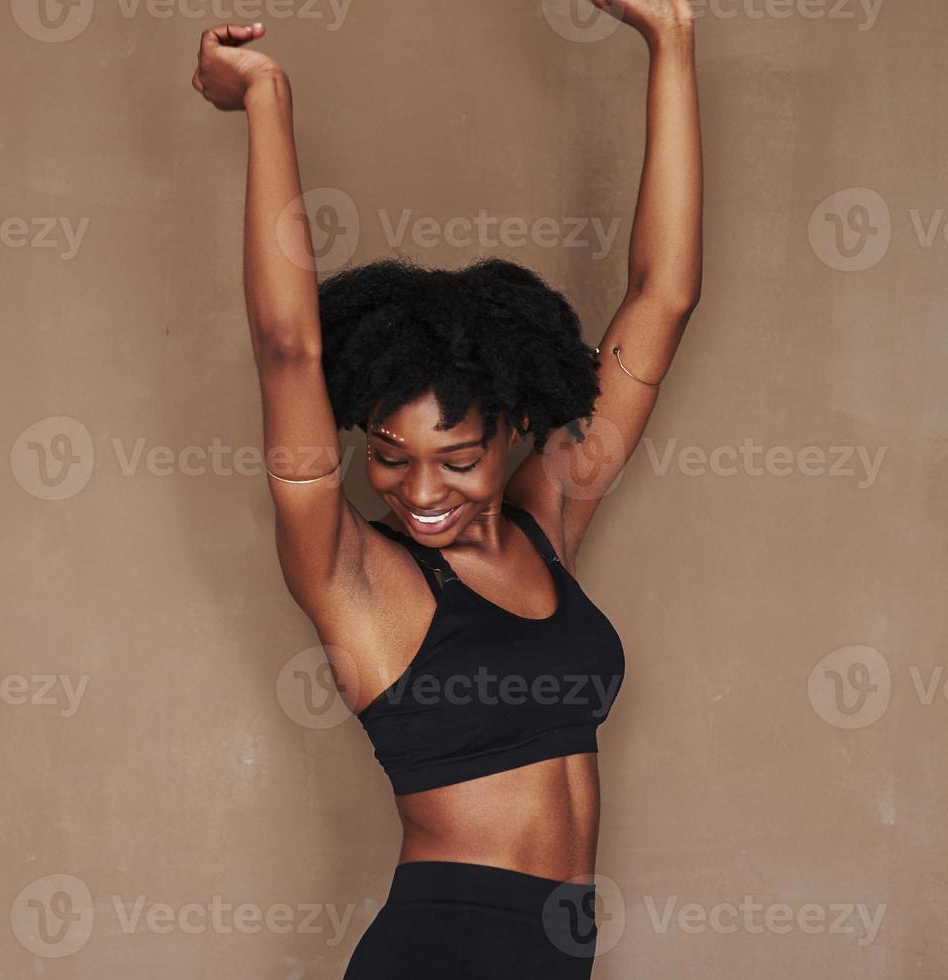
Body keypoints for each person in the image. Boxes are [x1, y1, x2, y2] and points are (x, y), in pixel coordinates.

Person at [191, 2, 701, 974]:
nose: (420, 488)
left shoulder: (545, 514)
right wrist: (267, 102)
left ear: (514, 426)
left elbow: (663, 296)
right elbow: (287, 344)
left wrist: (670, 37)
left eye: (459, 457)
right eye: (387, 453)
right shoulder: (351, 572)